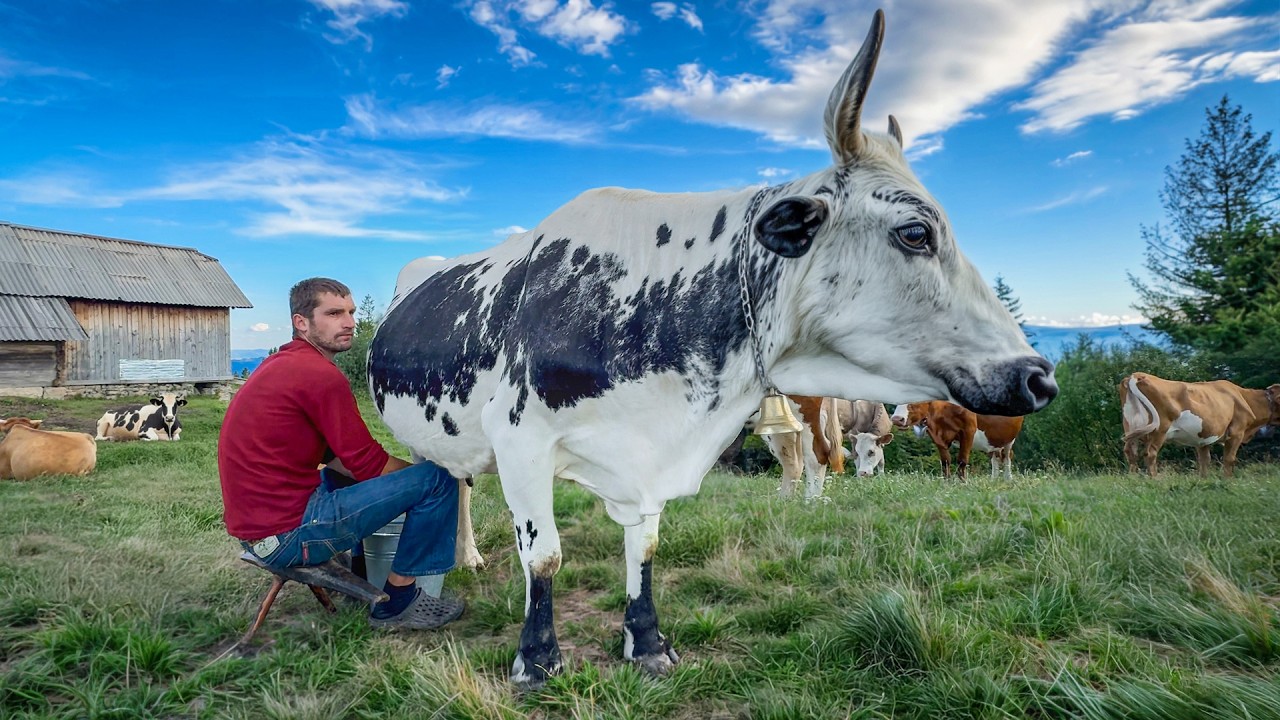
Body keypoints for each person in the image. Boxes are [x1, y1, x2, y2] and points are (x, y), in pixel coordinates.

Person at [218, 277, 464, 630]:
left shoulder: (281, 365)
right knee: (440, 478)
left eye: (350, 312)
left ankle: (363, 569)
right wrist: (420, 481)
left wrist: (407, 481)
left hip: (259, 533)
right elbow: (368, 465)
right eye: (334, 313)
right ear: (301, 322)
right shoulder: (321, 376)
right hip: (289, 537)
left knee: (338, 474)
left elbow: (339, 459)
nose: (349, 322)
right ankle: (399, 602)